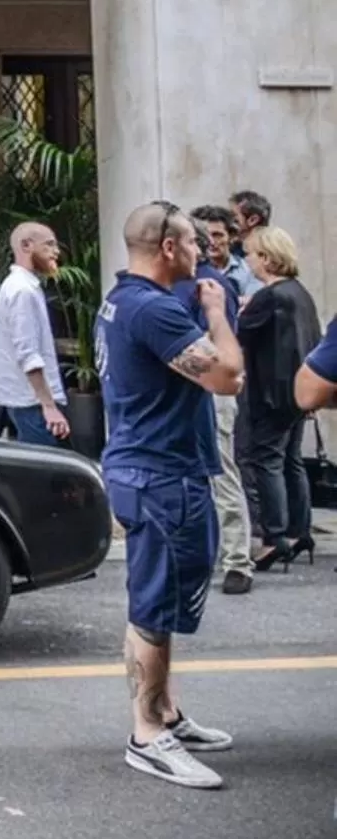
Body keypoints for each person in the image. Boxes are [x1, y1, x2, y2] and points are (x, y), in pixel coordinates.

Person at [96, 200, 242, 788]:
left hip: (152, 468)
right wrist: (217, 314)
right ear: (167, 248)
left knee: (164, 599)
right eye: (192, 241)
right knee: (153, 609)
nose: (202, 250)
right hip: (160, 476)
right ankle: (147, 734)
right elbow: (228, 376)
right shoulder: (153, 310)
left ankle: (166, 713)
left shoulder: (122, 299)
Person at [234, 226, 319, 569]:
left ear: (266, 259)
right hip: (298, 391)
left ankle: (275, 536)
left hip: (270, 392)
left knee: (266, 459)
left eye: (251, 255)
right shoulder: (300, 293)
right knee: (291, 460)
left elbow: (240, 335)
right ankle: (300, 531)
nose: (248, 262)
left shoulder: (268, 298)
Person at [185, 216, 254, 594]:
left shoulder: (211, 285)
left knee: (222, 471)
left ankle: (237, 560)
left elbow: (220, 342)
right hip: (196, 386)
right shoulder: (186, 283)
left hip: (213, 388)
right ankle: (220, 556)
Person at [0, 222, 69, 446]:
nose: (56, 252)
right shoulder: (23, 291)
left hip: (24, 399)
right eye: (49, 245)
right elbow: (28, 354)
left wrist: (6, 359)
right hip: (32, 402)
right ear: (26, 245)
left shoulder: (17, 286)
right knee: (45, 465)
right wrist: (48, 406)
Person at [227, 190, 271, 302]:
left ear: (252, 220)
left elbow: (255, 300)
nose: (227, 223)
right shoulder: (233, 250)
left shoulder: (264, 256)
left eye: (233, 217)